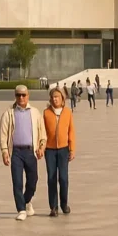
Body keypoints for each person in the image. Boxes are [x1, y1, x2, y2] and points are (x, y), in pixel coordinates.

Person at [0, 85, 47, 221]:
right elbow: (3, 134)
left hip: (30, 151)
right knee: (17, 182)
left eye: (23, 95)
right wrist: (4, 151)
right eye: (18, 95)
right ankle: (21, 209)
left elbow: (42, 133)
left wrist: (42, 146)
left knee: (33, 180)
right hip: (16, 152)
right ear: (15, 96)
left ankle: (26, 201)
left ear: (28, 95)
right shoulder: (8, 113)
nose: (21, 98)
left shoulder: (35, 113)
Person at [43, 87, 75, 217]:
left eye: (57, 96)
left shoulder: (67, 112)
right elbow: (42, 131)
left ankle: (64, 204)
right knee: (51, 178)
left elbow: (71, 131)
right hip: (49, 150)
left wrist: (72, 149)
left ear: (62, 98)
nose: (55, 99)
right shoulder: (46, 113)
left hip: (63, 149)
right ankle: (53, 207)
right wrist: (41, 146)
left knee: (63, 178)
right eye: (53, 97)